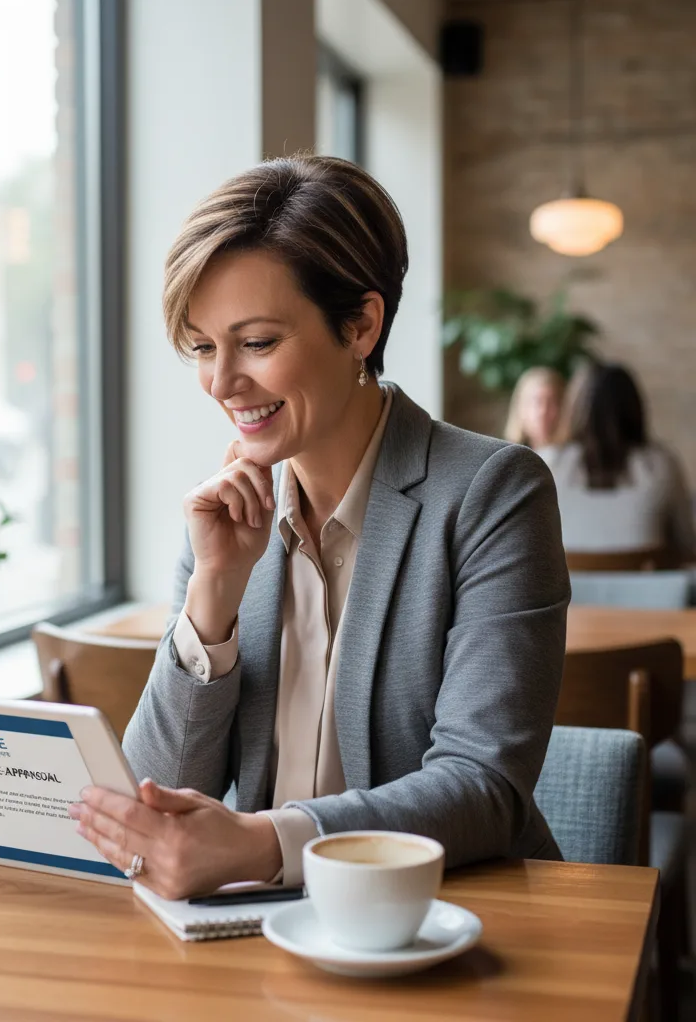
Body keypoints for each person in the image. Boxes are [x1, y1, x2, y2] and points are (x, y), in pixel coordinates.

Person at [69, 156, 570, 900]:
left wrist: (261, 842)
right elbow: (160, 795)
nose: (221, 381)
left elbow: (484, 786)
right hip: (263, 930)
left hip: (446, 918)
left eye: (258, 342)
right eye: (204, 347)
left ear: (361, 324)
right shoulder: (226, 514)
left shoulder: (492, 493)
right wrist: (212, 596)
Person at [539, 363, 696, 560]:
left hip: (572, 590)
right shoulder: (662, 464)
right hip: (647, 589)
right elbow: (686, 545)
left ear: (574, 409)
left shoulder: (546, 463)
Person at [504, 367, 564, 449]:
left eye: (551, 402)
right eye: (537, 402)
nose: (543, 411)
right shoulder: (507, 454)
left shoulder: (577, 455)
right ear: (520, 407)